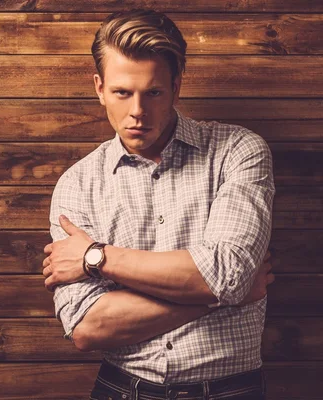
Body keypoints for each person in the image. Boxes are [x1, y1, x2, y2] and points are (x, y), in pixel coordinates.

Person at [41, 9, 275, 400]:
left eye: (153, 92)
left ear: (176, 87)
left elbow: (227, 272)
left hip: (230, 390)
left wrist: (95, 257)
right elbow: (87, 328)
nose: (137, 111)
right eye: (121, 92)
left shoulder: (238, 151)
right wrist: (216, 296)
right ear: (99, 88)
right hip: (122, 390)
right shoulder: (77, 185)